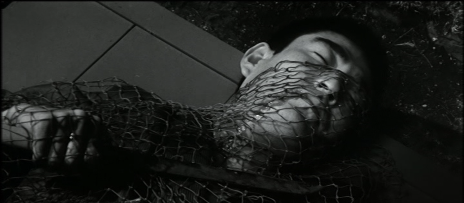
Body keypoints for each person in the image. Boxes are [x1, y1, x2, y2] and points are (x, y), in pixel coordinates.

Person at [2, 16, 394, 202]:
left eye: (355, 92)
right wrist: (16, 124)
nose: (333, 85)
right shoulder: (128, 115)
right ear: (256, 59)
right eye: (320, 56)